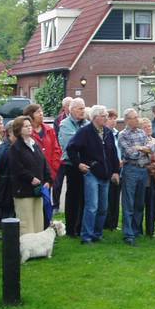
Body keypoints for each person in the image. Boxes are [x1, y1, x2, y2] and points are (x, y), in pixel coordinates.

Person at [66, 105, 120, 244]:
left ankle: (97, 233)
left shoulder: (107, 132)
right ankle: (86, 236)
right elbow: (71, 148)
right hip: (92, 173)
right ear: (96, 117)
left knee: (103, 207)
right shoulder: (85, 132)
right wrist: (78, 164)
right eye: (104, 116)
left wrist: (115, 171)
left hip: (106, 174)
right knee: (92, 206)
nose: (106, 118)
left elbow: (113, 154)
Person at [8, 115, 52, 235]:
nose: (29, 128)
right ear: (18, 129)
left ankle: (38, 247)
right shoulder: (15, 148)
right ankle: (26, 248)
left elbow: (44, 163)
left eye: (29, 126)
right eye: (25, 126)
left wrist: (48, 179)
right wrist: (30, 178)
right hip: (23, 190)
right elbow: (16, 168)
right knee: (26, 221)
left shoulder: (35, 144)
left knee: (38, 218)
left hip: (38, 190)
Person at [118, 108, 152, 245]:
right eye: (134, 118)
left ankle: (136, 230)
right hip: (131, 170)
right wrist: (143, 149)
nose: (137, 120)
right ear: (127, 120)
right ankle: (128, 234)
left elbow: (152, 147)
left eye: (137, 117)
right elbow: (130, 153)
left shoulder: (142, 132)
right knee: (129, 203)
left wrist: (140, 148)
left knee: (139, 203)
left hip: (143, 170)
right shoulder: (123, 135)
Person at [58, 98, 87, 237]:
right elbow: (72, 145)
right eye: (80, 108)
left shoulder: (86, 123)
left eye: (84, 108)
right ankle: (71, 229)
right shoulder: (65, 124)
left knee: (84, 197)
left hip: (86, 165)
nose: (83, 111)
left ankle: (81, 226)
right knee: (73, 198)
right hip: (72, 165)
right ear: (72, 110)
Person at [140, 118, 155, 237]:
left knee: (153, 204)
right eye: (145, 127)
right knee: (140, 204)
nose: (148, 128)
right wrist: (147, 166)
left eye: (149, 126)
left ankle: (150, 230)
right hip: (143, 177)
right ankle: (138, 229)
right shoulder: (139, 142)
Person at [103, 108, 122, 231]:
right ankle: (107, 222)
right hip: (108, 168)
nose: (113, 121)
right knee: (108, 196)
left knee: (116, 196)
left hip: (119, 167)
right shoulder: (104, 134)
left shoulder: (117, 133)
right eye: (111, 118)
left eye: (115, 118)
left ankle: (114, 223)